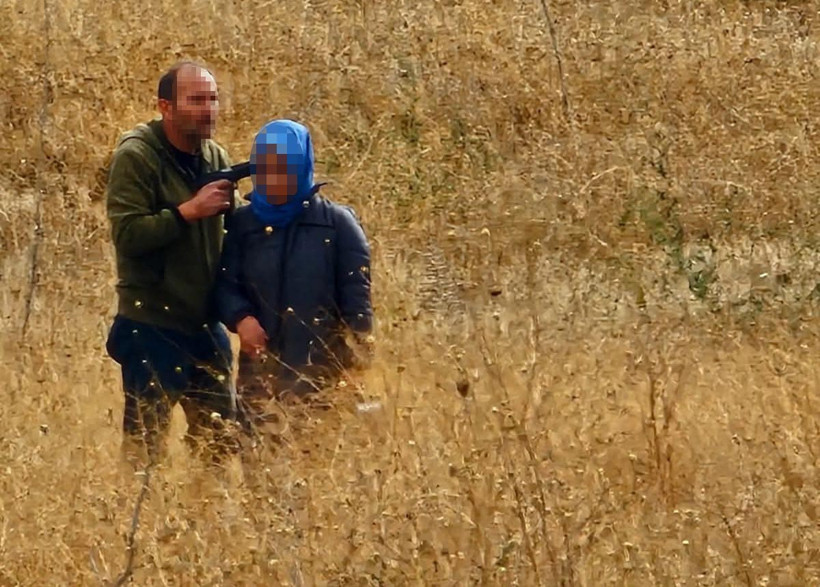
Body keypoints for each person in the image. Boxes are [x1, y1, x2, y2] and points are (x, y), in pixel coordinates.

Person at [104, 60, 240, 464]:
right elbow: (128, 235)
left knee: (218, 444)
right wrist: (187, 212)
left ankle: (207, 521)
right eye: (196, 100)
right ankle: (136, 523)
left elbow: (231, 236)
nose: (208, 109)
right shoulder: (137, 156)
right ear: (166, 106)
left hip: (205, 324)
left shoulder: (216, 157)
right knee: (144, 449)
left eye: (213, 99)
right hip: (151, 325)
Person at [214, 119, 373, 438]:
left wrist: (356, 371)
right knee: (259, 475)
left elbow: (358, 306)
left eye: (282, 168)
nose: (271, 178)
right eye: (264, 168)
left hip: (323, 379)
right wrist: (241, 318)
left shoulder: (336, 224)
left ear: (301, 167)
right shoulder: (243, 225)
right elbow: (224, 284)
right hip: (260, 379)